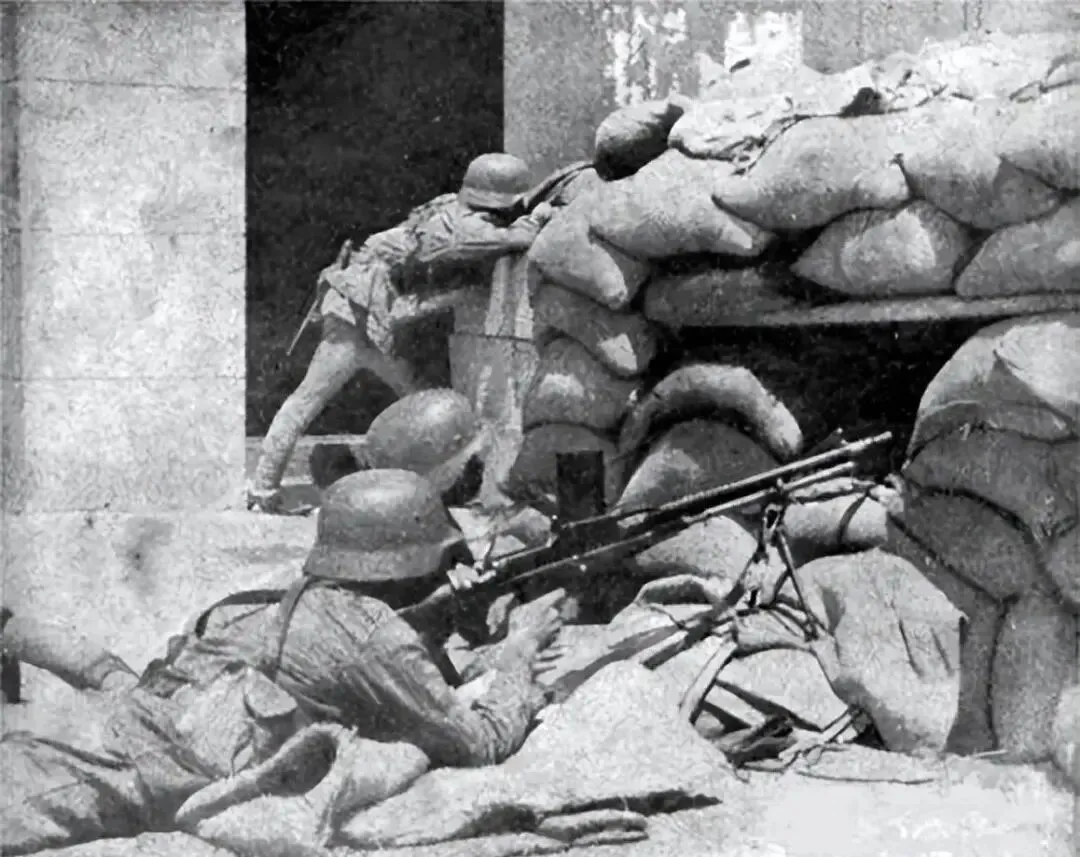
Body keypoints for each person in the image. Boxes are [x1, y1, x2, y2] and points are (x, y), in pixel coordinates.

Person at [2, 469, 567, 855]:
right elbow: (479, 743)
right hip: (129, 770)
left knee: (93, 682)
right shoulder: (374, 636)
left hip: (130, 713)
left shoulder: (288, 593)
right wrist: (521, 648)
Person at [249, 153, 556, 513]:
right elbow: (519, 238)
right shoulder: (464, 228)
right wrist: (538, 216)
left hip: (370, 315)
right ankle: (263, 489)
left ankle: (429, 485)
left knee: (420, 404)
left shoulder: (451, 210)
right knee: (309, 400)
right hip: (357, 313)